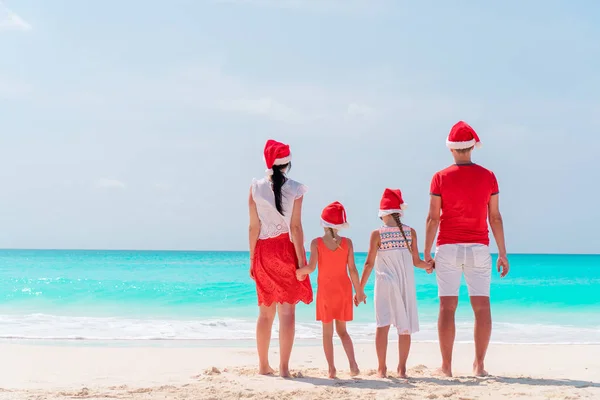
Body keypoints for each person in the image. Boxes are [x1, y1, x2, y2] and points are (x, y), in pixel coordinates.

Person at [424, 121, 509, 378]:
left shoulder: (440, 177)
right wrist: (503, 253)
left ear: (451, 149)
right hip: (479, 248)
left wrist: (426, 253)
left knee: (446, 307)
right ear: (473, 146)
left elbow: (433, 218)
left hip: (448, 247)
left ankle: (447, 367)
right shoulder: (489, 176)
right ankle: (479, 365)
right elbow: (495, 217)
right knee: (482, 307)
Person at [248, 139, 313, 377]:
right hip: (287, 249)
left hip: (264, 250)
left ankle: (263, 366)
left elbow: (253, 227)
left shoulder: (255, 188)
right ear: (287, 164)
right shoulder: (296, 189)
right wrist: (301, 262)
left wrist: (251, 260)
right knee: (287, 313)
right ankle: (284, 368)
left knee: (265, 313)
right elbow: (295, 227)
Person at [359, 189, 433, 379]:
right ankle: (401, 369)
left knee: (382, 325)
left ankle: (382, 369)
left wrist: (360, 289)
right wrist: (429, 266)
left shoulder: (377, 234)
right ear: (399, 212)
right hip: (404, 284)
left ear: (383, 214)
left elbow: (368, 264)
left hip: (384, 283)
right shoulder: (410, 232)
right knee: (404, 327)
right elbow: (417, 262)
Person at [296, 202, 366, 379]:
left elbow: (311, 268)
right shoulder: (348, 243)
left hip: (326, 292)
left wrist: (298, 272)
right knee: (343, 331)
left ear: (324, 223)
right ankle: (353, 365)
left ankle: (332, 369)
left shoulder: (316, 243)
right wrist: (359, 292)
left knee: (327, 333)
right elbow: (353, 270)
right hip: (343, 290)